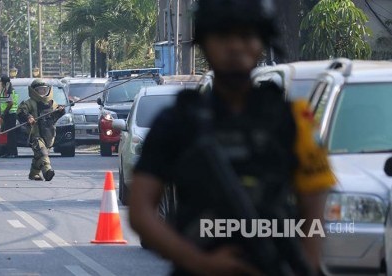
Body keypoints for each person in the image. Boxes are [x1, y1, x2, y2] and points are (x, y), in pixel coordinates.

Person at [128, 0, 336, 275]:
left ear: (262, 41)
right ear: (204, 41)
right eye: (223, 35)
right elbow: (141, 212)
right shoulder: (177, 122)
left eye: (247, 35)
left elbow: (314, 206)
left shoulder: (294, 119)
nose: (236, 46)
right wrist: (198, 262)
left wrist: (306, 264)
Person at [17, 79, 65, 181]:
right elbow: (21, 112)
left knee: (38, 156)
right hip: (35, 134)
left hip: (49, 134)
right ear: (34, 91)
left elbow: (54, 117)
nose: (43, 92)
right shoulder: (29, 103)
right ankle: (47, 171)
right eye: (40, 90)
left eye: (45, 89)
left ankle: (33, 174)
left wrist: (60, 111)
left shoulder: (53, 103)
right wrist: (28, 117)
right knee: (42, 153)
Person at [0, 75, 19, 158]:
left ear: (5, 83)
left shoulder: (9, 91)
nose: (1, 84)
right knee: (6, 134)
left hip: (10, 114)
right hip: (7, 114)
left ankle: (12, 152)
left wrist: (4, 113)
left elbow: (10, 103)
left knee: (11, 134)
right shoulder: (5, 90)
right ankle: (7, 151)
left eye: (2, 83)